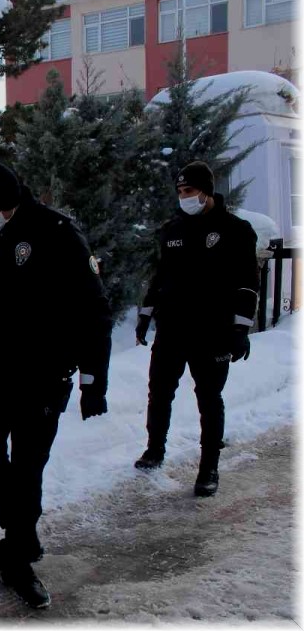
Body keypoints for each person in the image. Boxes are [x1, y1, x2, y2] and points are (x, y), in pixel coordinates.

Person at [0, 160, 112, 610]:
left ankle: (19, 558)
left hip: (44, 373)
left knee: (27, 468)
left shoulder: (57, 232)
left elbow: (95, 311)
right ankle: (23, 537)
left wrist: (94, 380)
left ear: (13, 200)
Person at [133, 161, 258, 498]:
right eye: (180, 192)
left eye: (189, 191)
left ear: (205, 191)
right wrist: (146, 314)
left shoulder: (236, 230)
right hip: (172, 328)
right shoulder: (172, 229)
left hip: (212, 331)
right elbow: (161, 276)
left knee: (208, 398)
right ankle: (154, 449)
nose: (184, 197)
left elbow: (248, 283)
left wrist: (240, 329)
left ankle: (209, 468)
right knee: (159, 392)